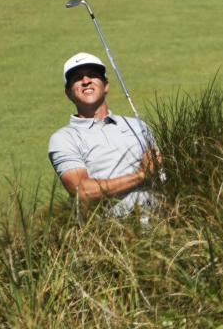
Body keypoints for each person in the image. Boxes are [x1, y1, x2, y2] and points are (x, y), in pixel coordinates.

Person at [48, 52, 159, 217]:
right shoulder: (64, 139)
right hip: (110, 234)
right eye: (78, 78)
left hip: (160, 227)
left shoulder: (137, 125)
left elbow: (161, 172)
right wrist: (141, 175)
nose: (86, 81)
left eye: (93, 75)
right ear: (68, 92)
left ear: (106, 85)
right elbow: (83, 191)